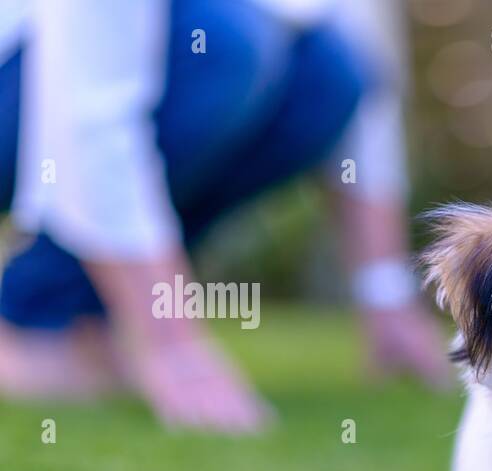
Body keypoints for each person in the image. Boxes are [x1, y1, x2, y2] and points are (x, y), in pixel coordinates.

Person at [0, 0, 451, 432]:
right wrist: (172, 346)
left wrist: (385, 291)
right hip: (26, 74)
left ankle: (83, 316)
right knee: (224, 42)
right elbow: (90, 111)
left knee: (329, 74)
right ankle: (34, 320)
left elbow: (366, 86)